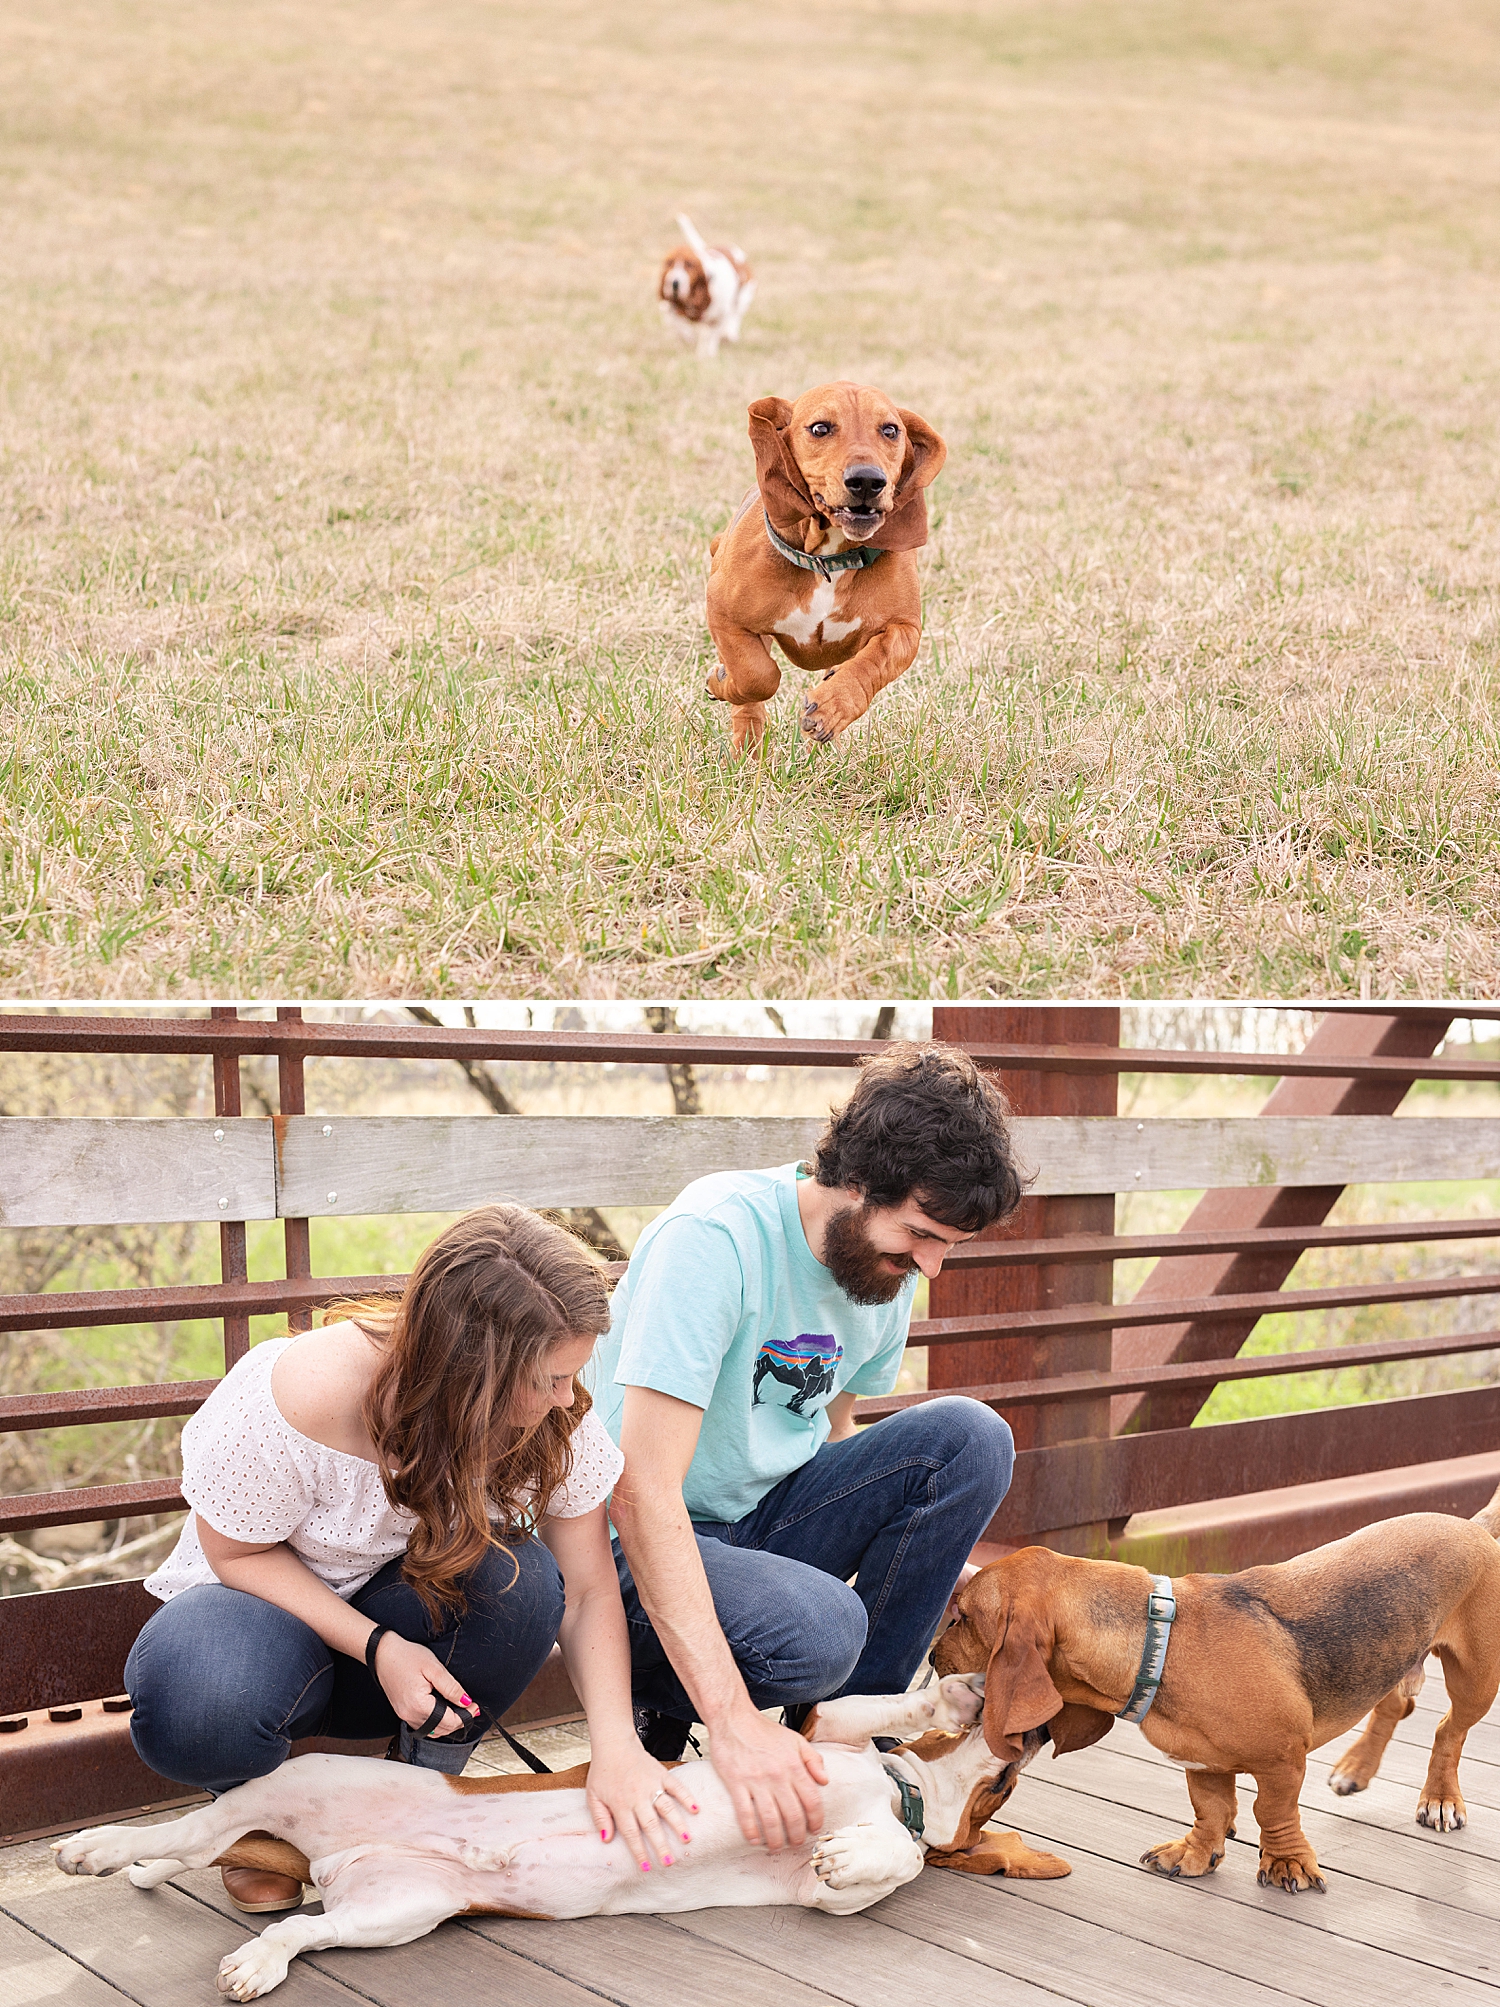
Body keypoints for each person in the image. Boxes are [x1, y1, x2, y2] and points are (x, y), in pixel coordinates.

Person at [128, 1205, 695, 1914]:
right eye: (549, 1377)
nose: (567, 1400)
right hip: (259, 1616)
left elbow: (585, 1590)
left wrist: (615, 1746)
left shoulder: (556, 1413)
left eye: (572, 1374)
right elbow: (235, 1552)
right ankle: (254, 1818)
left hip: (401, 1626)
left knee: (523, 1582)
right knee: (204, 1703)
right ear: (471, 1370)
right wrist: (379, 1645)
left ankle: (419, 1799)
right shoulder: (306, 1390)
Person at [592, 1041, 1023, 1858]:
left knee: (970, 1437)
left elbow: (834, 1437)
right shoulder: (714, 1238)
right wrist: (732, 1725)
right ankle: (674, 1698)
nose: (929, 1265)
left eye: (948, 1247)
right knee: (826, 1629)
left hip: (758, 1520)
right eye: (921, 1234)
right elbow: (641, 1495)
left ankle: (850, 1747)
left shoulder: (881, 1271)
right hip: (627, 1545)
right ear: (857, 1181)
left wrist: (952, 1568)